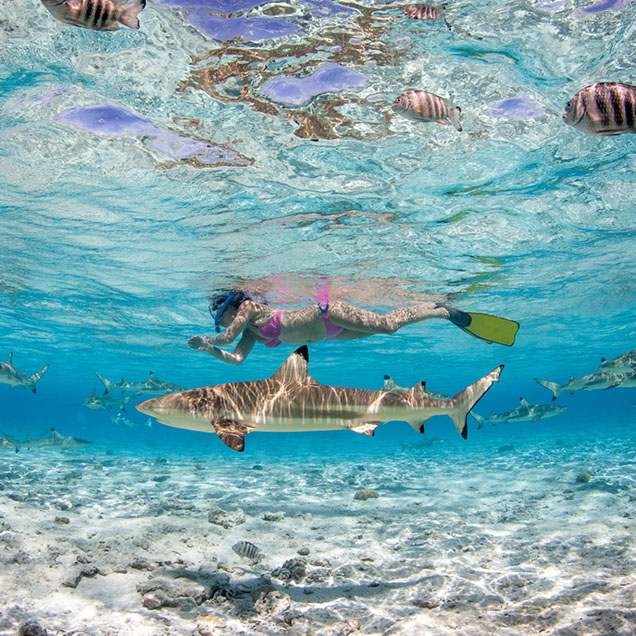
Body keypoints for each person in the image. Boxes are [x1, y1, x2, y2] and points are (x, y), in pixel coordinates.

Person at [187, 290, 519, 366]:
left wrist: (208, 339)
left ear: (232, 306)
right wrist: (209, 349)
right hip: (331, 334)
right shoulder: (248, 334)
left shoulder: (249, 308)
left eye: (222, 316)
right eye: (221, 322)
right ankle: (437, 308)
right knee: (387, 330)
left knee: (388, 326)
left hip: (329, 313)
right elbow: (236, 359)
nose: (226, 322)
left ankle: (441, 310)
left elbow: (228, 337)